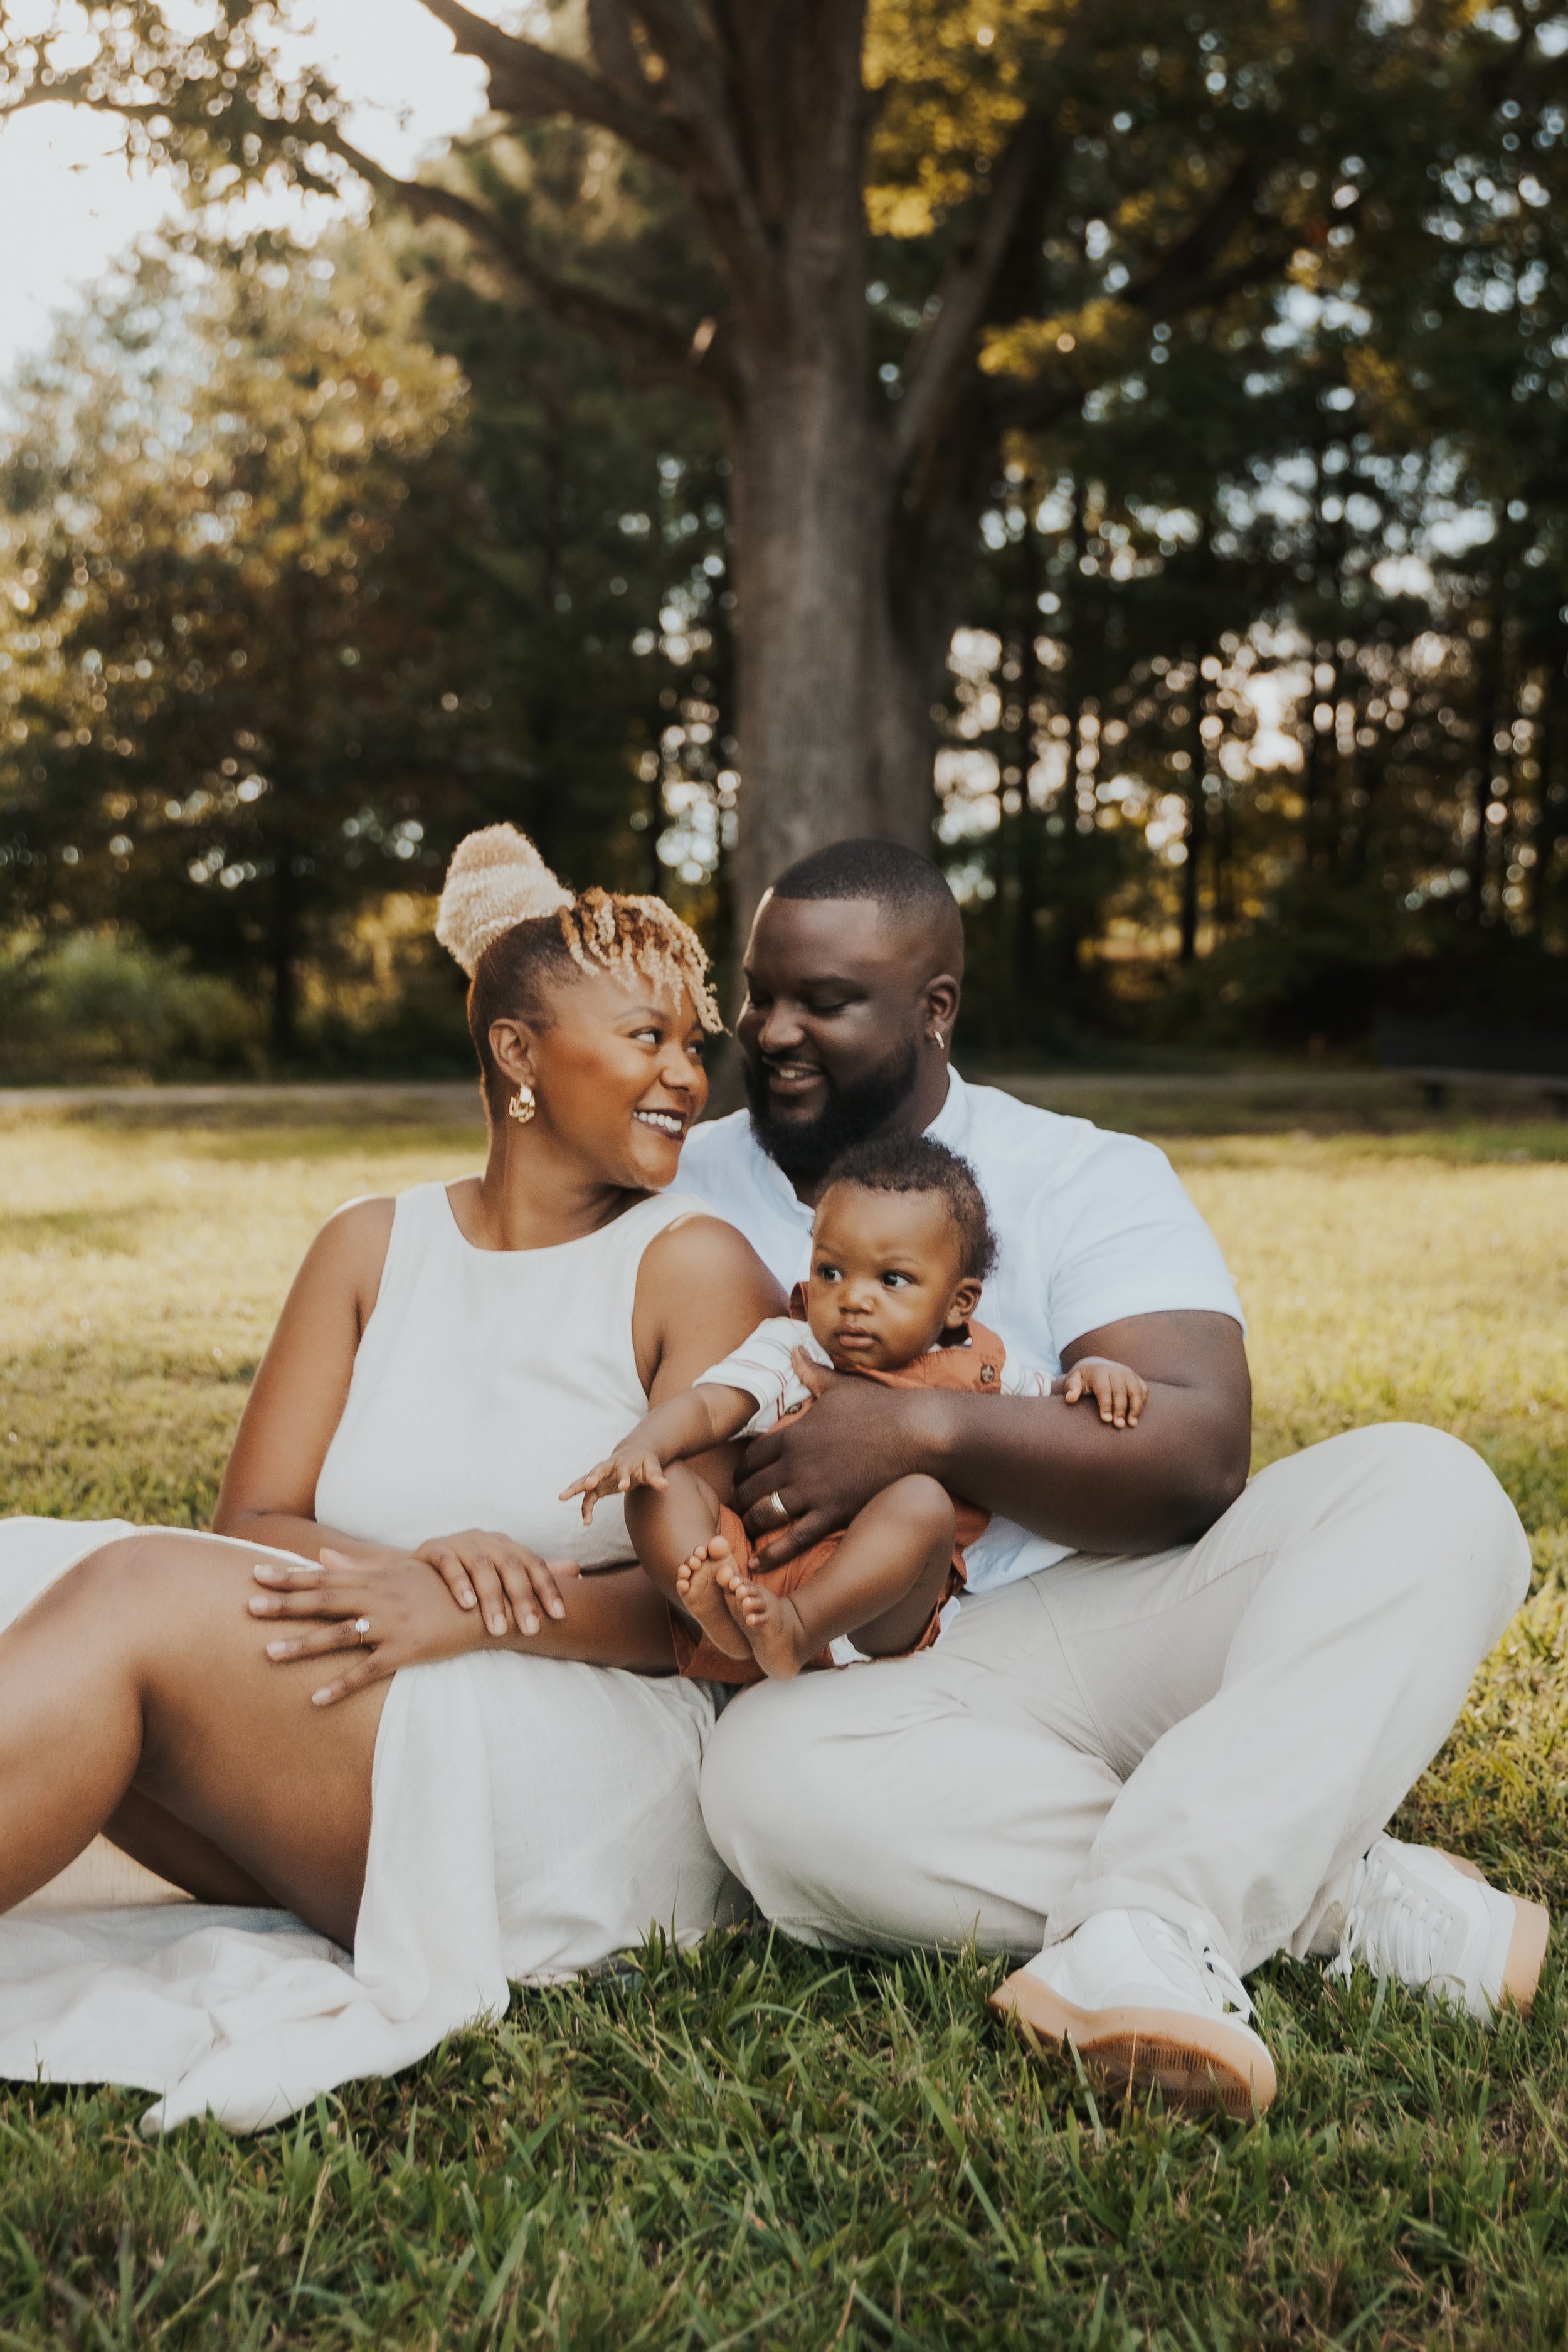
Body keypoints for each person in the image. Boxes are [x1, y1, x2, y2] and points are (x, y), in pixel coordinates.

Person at [679, 836, 1547, 2116]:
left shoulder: (1083, 1172)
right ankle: (1325, 1894)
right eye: (761, 994)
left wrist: (922, 1431)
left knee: (1429, 1488)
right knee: (764, 1790)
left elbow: (1197, 1457)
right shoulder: (684, 1182)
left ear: (933, 1009)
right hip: (878, 1669)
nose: (773, 1032)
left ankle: (1155, 1921)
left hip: (1120, 1615)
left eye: (826, 1001)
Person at [0, 824, 782, 2131]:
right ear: (518, 1052)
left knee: (131, 1590)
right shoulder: (371, 1245)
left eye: (693, 1046)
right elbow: (254, 1521)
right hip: (361, 1685)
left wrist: (479, 1611)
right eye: (647, 1037)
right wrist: (414, 1578)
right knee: (29, 1561)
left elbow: (704, 1618)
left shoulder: (694, 1266)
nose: (687, 1077)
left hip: (578, 1755)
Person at [563, 1132, 1147, 1683]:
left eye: (892, 1279)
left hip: (876, 1613)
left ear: (958, 1303)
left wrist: (1091, 1372)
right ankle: (719, 1612)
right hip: (756, 1575)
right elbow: (712, 1407)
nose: (853, 1298)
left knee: (923, 1503)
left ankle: (796, 1630)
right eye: (831, 1272)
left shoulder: (983, 1366)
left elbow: (1047, 1405)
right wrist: (643, 1446)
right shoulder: (793, 1348)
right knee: (659, 1486)